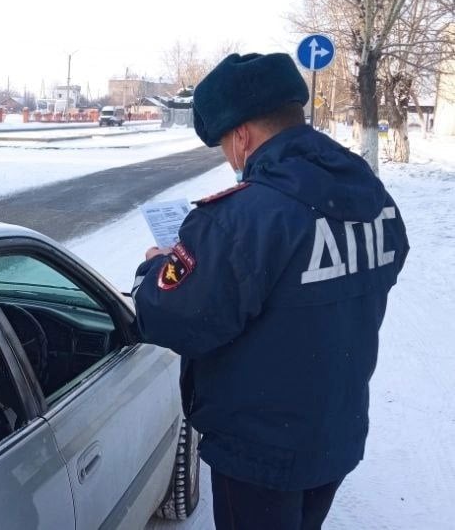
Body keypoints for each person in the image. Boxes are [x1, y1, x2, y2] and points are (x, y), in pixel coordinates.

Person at [132, 53, 409, 529]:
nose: (229, 156)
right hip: (335, 430)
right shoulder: (371, 195)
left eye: (223, 143)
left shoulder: (243, 216)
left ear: (241, 135)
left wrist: (154, 270)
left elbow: (174, 316)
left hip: (260, 448)